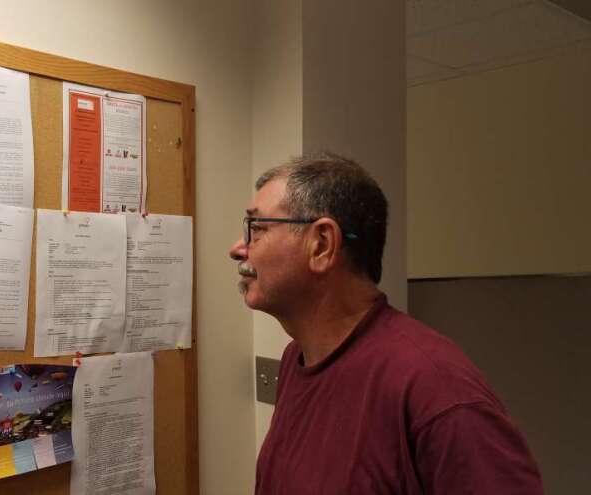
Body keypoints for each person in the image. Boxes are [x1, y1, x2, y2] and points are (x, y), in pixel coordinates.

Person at [229, 152, 544, 494]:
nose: (238, 249)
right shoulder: (297, 358)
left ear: (321, 245)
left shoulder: (434, 385)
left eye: (256, 229)